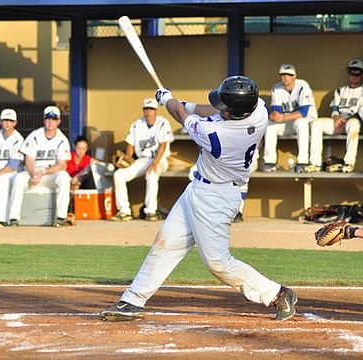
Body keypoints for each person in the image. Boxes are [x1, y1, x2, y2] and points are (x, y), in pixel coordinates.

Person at [100, 76, 297, 323]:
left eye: (225, 108)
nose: (220, 109)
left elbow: (179, 115)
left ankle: (277, 294)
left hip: (216, 198)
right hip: (199, 188)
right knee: (166, 242)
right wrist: (180, 103)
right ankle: (133, 300)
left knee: (218, 263)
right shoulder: (258, 109)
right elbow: (211, 109)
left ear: (233, 113)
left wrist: (167, 100)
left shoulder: (216, 134)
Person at [111, 98, 174, 222]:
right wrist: (127, 158)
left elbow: (163, 145)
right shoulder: (137, 124)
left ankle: (151, 211)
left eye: (151, 109)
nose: (148, 112)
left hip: (160, 159)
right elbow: (130, 144)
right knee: (119, 175)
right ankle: (124, 211)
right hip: (142, 159)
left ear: (155, 111)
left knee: (152, 174)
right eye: (146, 109)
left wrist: (155, 164)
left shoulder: (163, 123)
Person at [8, 105, 71, 227]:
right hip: (33, 173)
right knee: (19, 178)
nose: (50, 122)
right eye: (48, 118)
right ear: (43, 120)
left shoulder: (62, 139)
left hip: (49, 175)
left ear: (58, 121)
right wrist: (33, 173)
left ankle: (60, 216)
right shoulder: (35, 135)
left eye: (53, 119)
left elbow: (62, 165)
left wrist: (43, 172)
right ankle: (13, 217)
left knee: (64, 176)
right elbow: (28, 159)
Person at [308, 59, 363, 173]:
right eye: (352, 73)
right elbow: (334, 108)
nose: (354, 77)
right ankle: (314, 163)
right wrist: (336, 119)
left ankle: (349, 163)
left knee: (352, 124)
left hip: (356, 122)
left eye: (357, 74)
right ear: (349, 74)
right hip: (339, 121)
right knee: (316, 123)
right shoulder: (340, 90)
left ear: (362, 75)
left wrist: (344, 121)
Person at [263, 64, 317, 173]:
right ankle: (270, 162)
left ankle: (302, 162)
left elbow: (303, 112)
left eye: (289, 74)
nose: (285, 77)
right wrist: (274, 116)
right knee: (269, 126)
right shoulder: (276, 88)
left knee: (301, 123)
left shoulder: (303, 86)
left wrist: (282, 117)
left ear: (294, 76)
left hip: (307, 121)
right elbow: (277, 110)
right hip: (288, 122)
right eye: (283, 74)